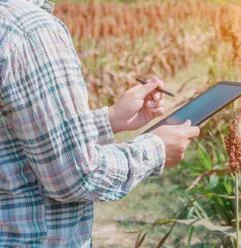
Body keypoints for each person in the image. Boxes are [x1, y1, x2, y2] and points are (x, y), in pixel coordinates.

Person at [0, 0, 200, 246]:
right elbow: (76, 176)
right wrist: (158, 149)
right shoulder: (30, 31)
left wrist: (110, 119)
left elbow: (12, 141)